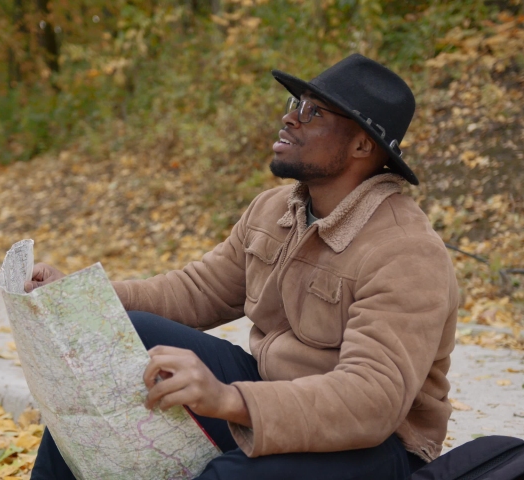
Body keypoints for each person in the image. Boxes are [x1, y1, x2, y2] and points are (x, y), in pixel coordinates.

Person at [25, 53, 458, 479]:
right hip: (269, 390)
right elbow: (197, 291)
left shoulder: (406, 251)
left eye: (313, 112)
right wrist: (79, 295)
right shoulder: (275, 209)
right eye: (294, 105)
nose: (290, 119)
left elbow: (371, 401)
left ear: (363, 144)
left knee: (225, 475)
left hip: (373, 445)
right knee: (116, 341)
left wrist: (229, 400)